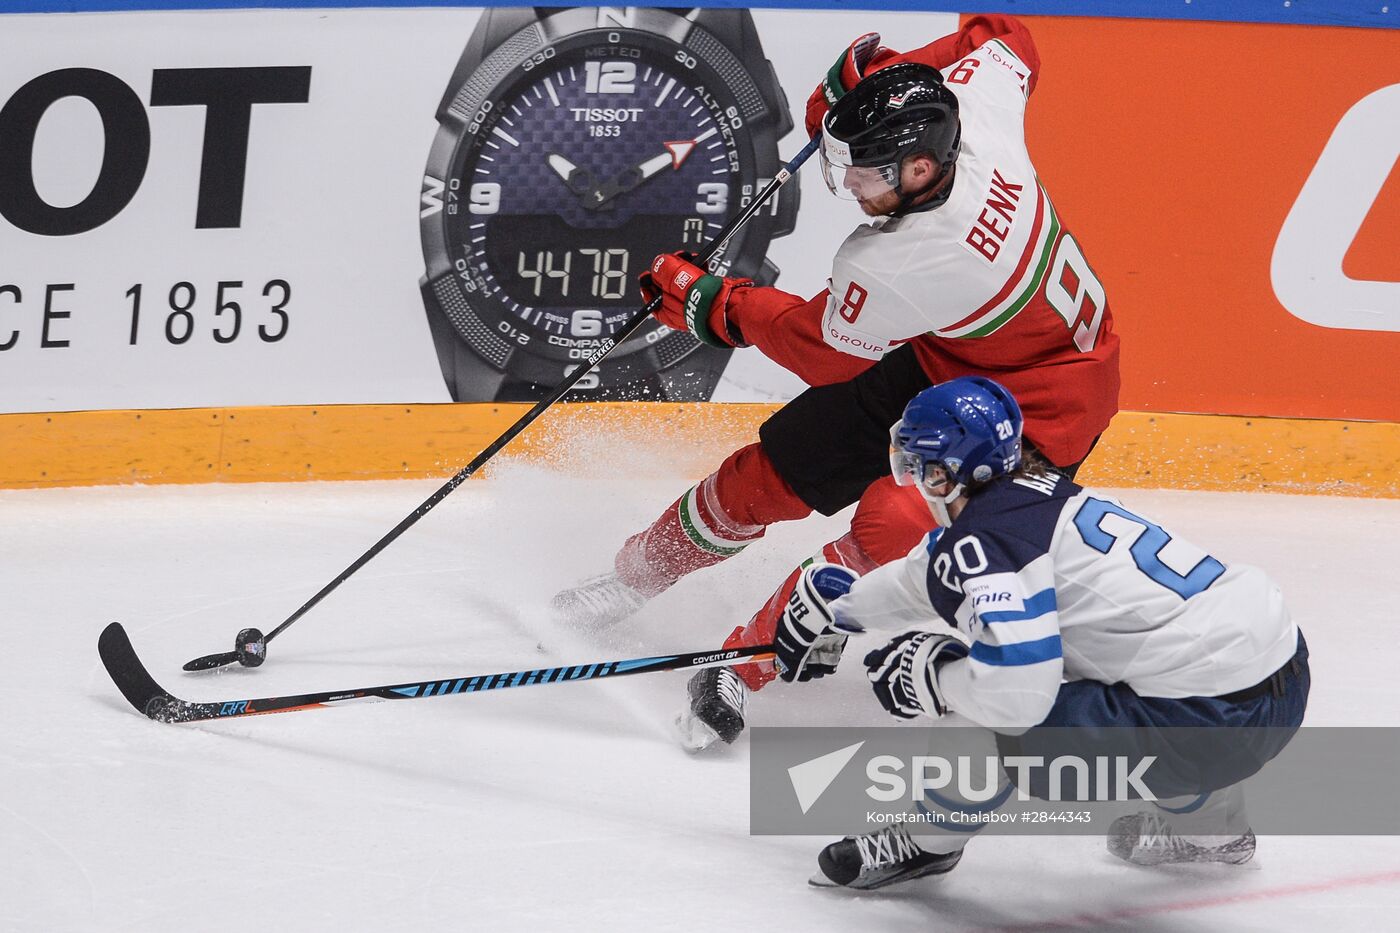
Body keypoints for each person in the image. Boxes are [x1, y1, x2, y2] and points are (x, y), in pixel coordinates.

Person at [553, 15, 1121, 750]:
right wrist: (889, 81)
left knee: (891, 525)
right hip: (953, 351)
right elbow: (1006, 34)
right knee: (765, 479)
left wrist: (712, 303)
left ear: (920, 169)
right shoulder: (976, 111)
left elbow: (818, 350)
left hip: (1040, 411)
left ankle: (744, 660)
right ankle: (633, 578)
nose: (849, 182)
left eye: (867, 172)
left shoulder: (907, 261)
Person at [765, 377, 1309, 889]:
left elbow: (1017, 696)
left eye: (917, 466)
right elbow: (933, 572)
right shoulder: (1039, 491)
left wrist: (930, 672)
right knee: (1117, 660)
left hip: (1200, 725)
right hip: (1280, 677)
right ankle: (1214, 831)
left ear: (941, 475)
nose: (915, 480)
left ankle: (927, 845)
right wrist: (842, 611)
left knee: (986, 695)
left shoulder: (986, 538)